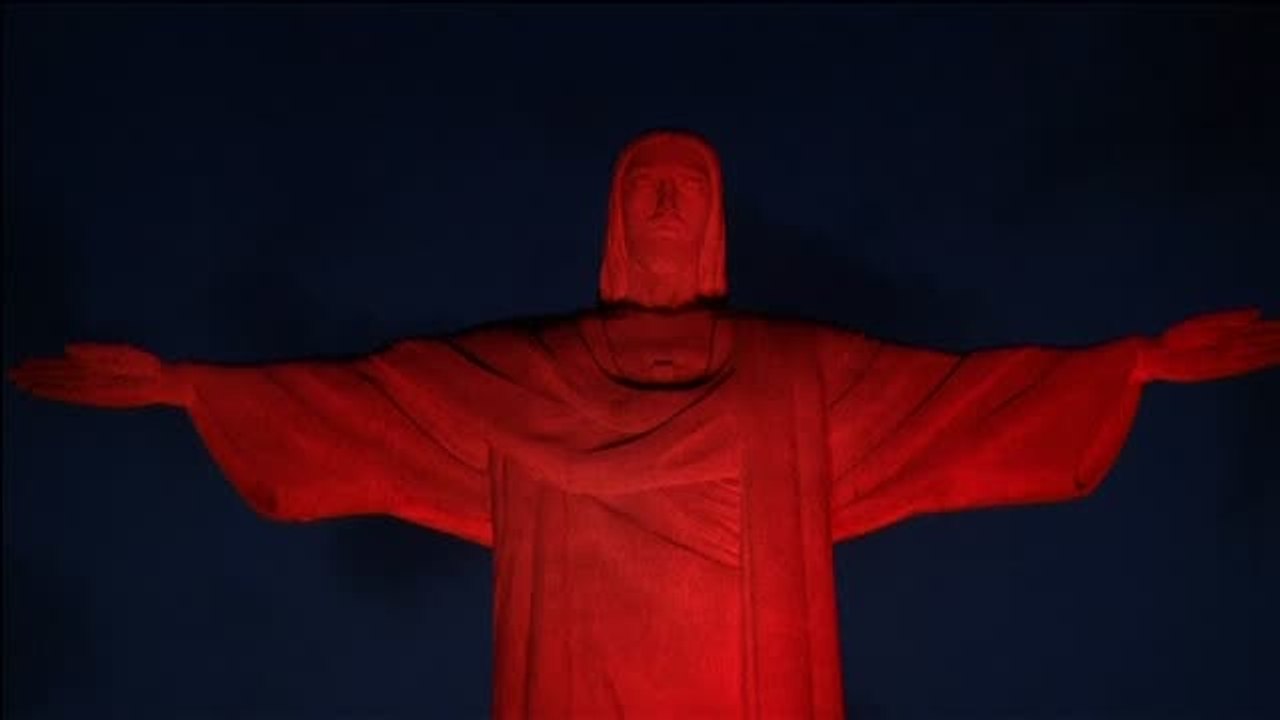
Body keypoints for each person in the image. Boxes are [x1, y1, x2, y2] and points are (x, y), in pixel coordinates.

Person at [10, 130, 1280, 719]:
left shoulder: (796, 372)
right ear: (622, 223)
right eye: (647, 192)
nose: (668, 206)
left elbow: (956, 402)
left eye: (687, 193)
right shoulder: (529, 368)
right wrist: (190, 388)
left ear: (709, 220)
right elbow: (372, 401)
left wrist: (1136, 365)